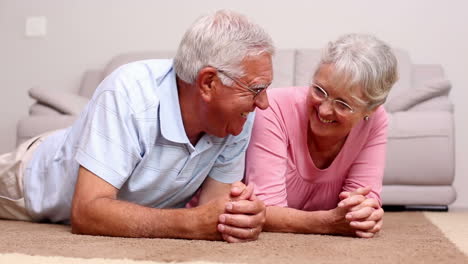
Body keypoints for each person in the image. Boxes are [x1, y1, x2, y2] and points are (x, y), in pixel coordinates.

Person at [0, 10, 274, 243]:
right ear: (208, 83)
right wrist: (188, 223)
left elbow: (215, 210)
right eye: (256, 89)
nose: (264, 103)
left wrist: (237, 218)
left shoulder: (236, 117)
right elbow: (87, 213)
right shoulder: (129, 91)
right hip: (29, 180)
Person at [245, 33, 398, 238]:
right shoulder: (272, 108)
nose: (324, 110)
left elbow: (362, 199)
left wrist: (363, 213)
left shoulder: (376, 120)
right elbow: (263, 209)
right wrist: (326, 223)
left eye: (343, 104)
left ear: (370, 110)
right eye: (319, 91)